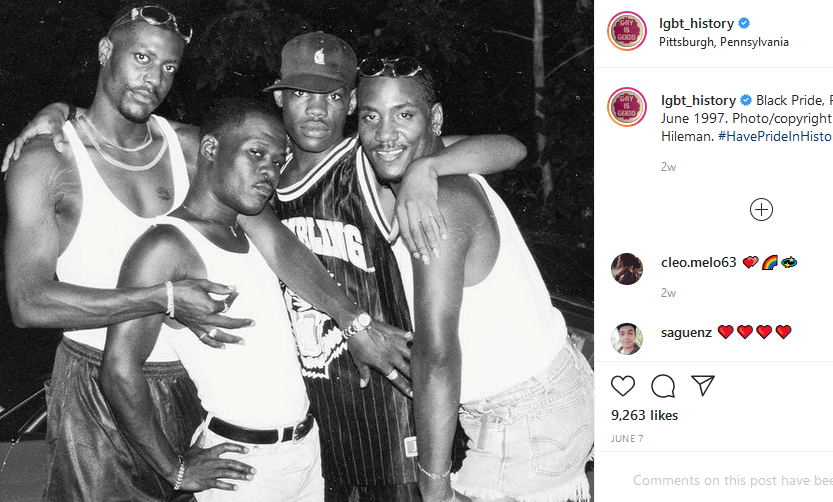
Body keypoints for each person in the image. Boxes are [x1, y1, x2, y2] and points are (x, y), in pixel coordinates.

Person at [4, 5, 411, 500]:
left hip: (194, 385)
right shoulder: (49, 160)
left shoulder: (192, 146)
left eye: (169, 67)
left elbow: (277, 243)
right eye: (142, 58)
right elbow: (29, 303)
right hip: (98, 383)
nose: (153, 78)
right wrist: (164, 298)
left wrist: (353, 321)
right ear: (105, 52)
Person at [265, 33, 526, 501]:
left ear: (349, 105)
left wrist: (430, 170)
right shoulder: (267, 177)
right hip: (327, 424)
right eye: (302, 94)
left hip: (399, 422)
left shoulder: (373, 160)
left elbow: (509, 148)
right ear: (281, 96)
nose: (317, 110)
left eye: (332, 96)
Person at [356, 59, 593, 502]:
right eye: (371, 117)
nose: (385, 133)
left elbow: (438, 354)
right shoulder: (430, 163)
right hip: (549, 389)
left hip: (524, 416)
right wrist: (423, 169)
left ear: (435, 119)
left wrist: (434, 485)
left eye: (403, 114)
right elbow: (510, 148)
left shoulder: (440, 201)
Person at [102, 98, 322, 502]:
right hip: (241, 468)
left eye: (278, 160)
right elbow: (117, 368)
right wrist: (175, 469)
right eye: (256, 153)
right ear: (209, 150)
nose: (270, 171)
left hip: (308, 453)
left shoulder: (254, 232)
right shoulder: (167, 244)